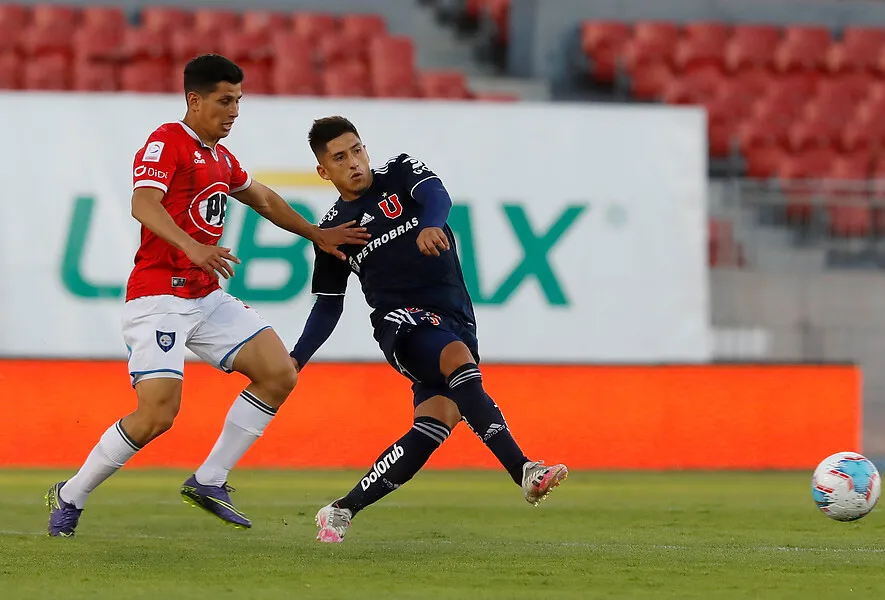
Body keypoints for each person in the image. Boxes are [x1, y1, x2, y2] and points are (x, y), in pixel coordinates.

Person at [46, 55, 369, 537]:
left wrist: (316, 234)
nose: (234, 110)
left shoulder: (221, 157)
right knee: (158, 414)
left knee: (279, 372)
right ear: (194, 100)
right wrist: (193, 246)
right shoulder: (167, 141)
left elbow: (263, 198)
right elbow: (142, 203)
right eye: (224, 100)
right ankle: (71, 495)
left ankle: (209, 479)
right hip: (159, 296)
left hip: (204, 295)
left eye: (238, 100)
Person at [290, 116, 568, 543]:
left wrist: (431, 223)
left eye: (357, 150)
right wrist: (296, 359)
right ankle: (524, 470)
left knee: (434, 425)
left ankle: (341, 509)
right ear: (324, 171)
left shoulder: (400, 171)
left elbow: (437, 195)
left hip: (454, 316)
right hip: (401, 323)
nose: (354, 162)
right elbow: (328, 306)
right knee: (456, 359)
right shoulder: (333, 232)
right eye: (340, 158)